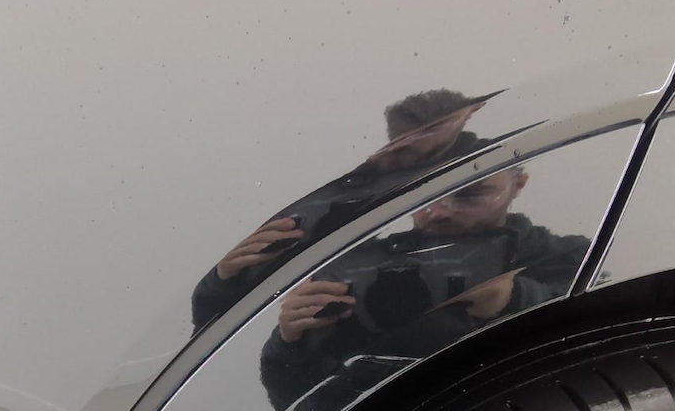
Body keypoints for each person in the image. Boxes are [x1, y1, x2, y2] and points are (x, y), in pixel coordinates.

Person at [259, 91, 590, 411]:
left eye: (469, 193)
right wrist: (291, 342)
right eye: (422, 194)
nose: (439, 211)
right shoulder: (360, 269)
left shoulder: (567, 259)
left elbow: (591, 360)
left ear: (517, 185)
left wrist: (514, 300)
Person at [190, 90, 493, 334]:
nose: (437, 210)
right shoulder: (332, 207)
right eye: (399, 150)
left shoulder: (490, 173)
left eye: (468, 195)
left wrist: (506, 297)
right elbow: (296, 385)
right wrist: (227, 280)